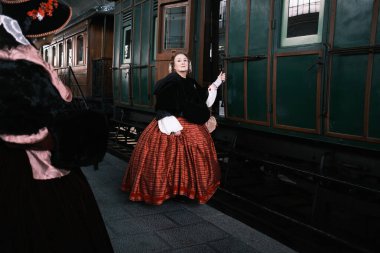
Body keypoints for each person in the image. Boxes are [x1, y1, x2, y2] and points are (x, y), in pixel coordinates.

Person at [0, 1, 114, 252]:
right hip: (33, 167)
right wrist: (64, 138)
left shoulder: (20, 49)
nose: (51, 33)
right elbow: (15, 125)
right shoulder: (10, 55)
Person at [121, 52, 226, 205]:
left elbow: (200, 97)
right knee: (167, 157)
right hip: (173, 123)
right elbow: (163, 107)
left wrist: (217, 83)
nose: (183, 62)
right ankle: (171, 190)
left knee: (197, 151)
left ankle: (186, 190)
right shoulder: (170, 82)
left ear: (188, 65)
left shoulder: (190, 82)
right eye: (179, 60)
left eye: (185, 60)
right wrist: (172, 127)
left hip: (190, 121)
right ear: (173, 66)